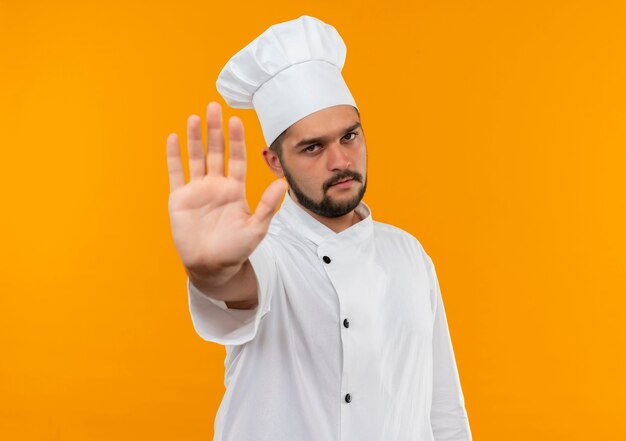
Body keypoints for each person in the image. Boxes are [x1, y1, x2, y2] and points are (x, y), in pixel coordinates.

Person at [166, 15, 472, 441]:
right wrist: (210, 272)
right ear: (275, 162)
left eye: (349, 136)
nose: (340, 162)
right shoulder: (265, 255)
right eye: (312, 147)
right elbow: (237, 286)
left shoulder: (409, 255)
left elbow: (443, 410)